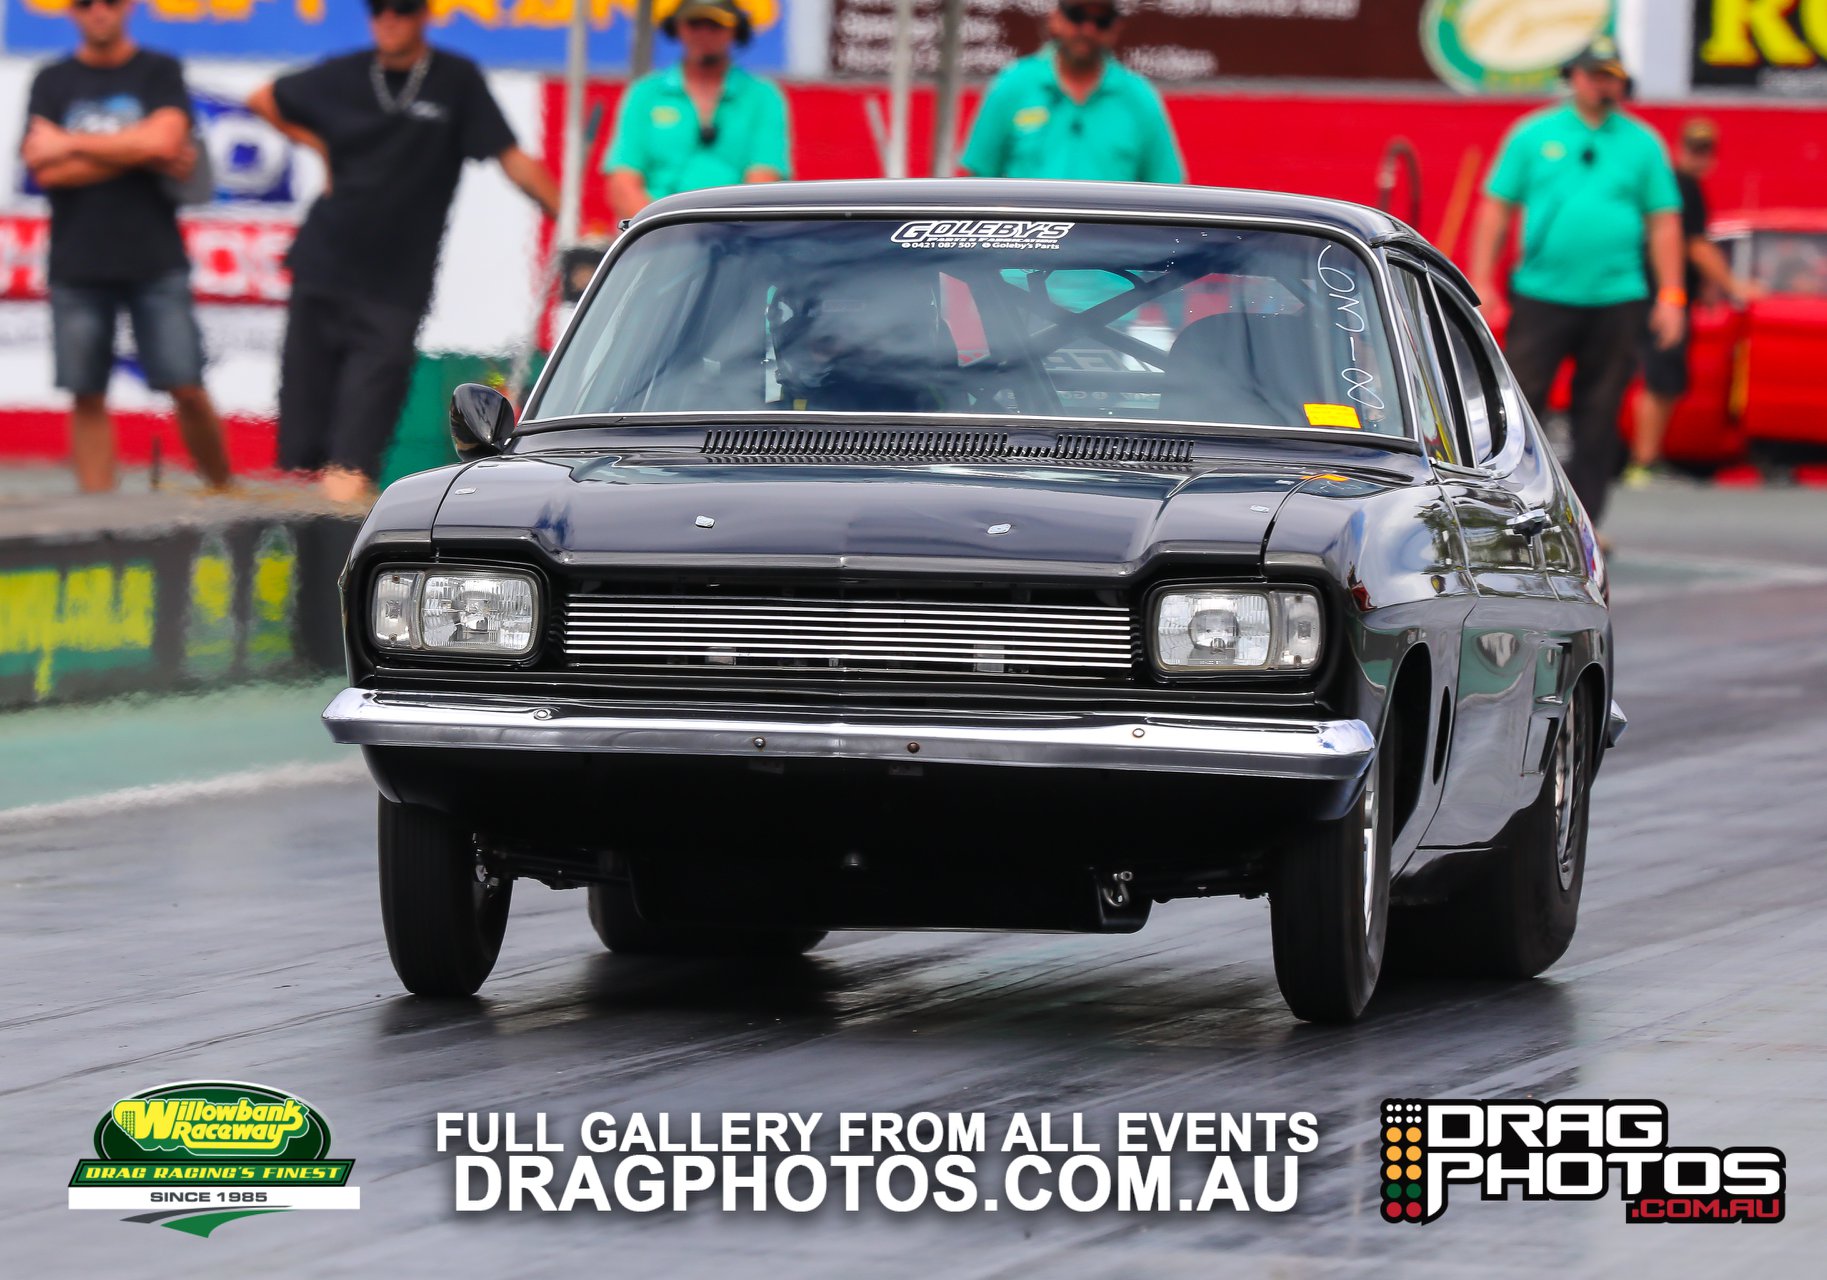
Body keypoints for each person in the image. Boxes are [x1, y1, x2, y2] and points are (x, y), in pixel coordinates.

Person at [247, 0, 559, 504]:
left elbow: (511, 158)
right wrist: (318, 146)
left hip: (394, 286)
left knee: (352, 459)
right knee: (300, 455)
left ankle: (344, 533)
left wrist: (566, 215)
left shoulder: (454, 80)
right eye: (379, 9)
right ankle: (307, 537)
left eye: (404, 8)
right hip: (323, 268)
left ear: (424, 15)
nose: (390, 18)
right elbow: (263, 98)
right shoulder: (346, 72)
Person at [1468, 36, 1684, 527]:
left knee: (1599, 415)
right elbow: (1496, 209)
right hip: (1543, 293)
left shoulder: (1642, 142)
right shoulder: (1533, 134)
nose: (1602, 85)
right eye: (1594, 75)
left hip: (1617, 296)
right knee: (1518, 406)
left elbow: (1664, 222)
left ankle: (1584, 524)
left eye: (1611, 77)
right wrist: (1482, 281)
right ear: (1574, 78)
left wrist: (1672, 295)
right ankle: (1505, 513)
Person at [20, 0, 232, 495]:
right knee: (86, 394)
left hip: (155, 259)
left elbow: (166, 143)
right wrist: (138, 149)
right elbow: (45, 170)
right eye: (85, 3)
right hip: (77, 262)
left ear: (129, 7)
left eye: (110, 1)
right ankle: (99, 516)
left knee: (187, 386)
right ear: (71, 12)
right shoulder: (52, 79)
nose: (98, 10)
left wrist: (69, 143)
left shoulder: (158, 70)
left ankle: (225, 497)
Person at [1625, 118, 1760, 485]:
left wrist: (1707, 286)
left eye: (1705, 151)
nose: (1699, 157)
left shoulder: (1683, 185)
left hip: (1665, 296)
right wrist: (1734, 285)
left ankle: (1648, 459)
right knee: (1659, 377)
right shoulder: (1680, 186)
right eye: (1694, 149)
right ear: (1679, 149)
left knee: (1664, 378)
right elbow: (1696, 246)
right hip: (1661, 300)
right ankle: (1643, 462)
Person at [957, 0, 1184, 184]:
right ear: (1055, 18)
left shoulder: (1139, 98)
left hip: (1110, 229)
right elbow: (977, 181)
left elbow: (1168, 189)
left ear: (1116, 27)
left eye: (1102, 20)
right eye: (1077, 15)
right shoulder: (1013, 85)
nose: (1088, 29)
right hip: (1033, 228)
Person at [604, 0, 789, 221]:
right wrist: (662, 231)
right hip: (657, 233)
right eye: (695, 23)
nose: (704, 33)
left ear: (736, 30)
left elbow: (763, 183)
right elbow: (623, 182)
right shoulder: (644, 94)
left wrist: (720, 232)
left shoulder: (763, 97)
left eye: (715, 25)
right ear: (677, 27)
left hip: (736, 233)